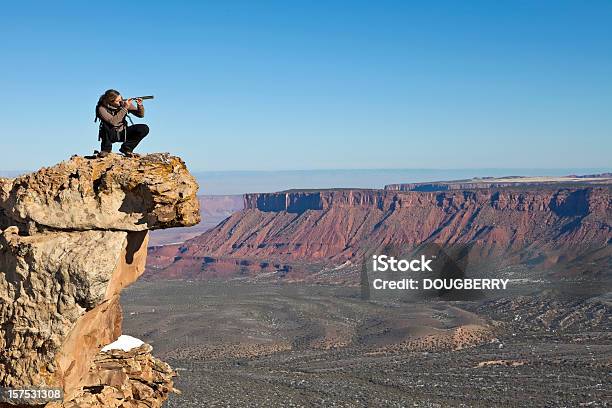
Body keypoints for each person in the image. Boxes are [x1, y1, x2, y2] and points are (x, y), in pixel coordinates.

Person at [94, 89, 149, 157]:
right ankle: (106, 150)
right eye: (118, 101)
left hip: (123, 132)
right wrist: (125, 108)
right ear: (110, 102)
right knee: (106, 125)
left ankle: (127, 148)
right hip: (110, 134)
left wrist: (140, 105)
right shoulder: (101, 108)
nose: (120, 101)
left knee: (144, 128)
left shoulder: (123, 103)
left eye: (121, 99)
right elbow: (113, 122)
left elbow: (140, 115)